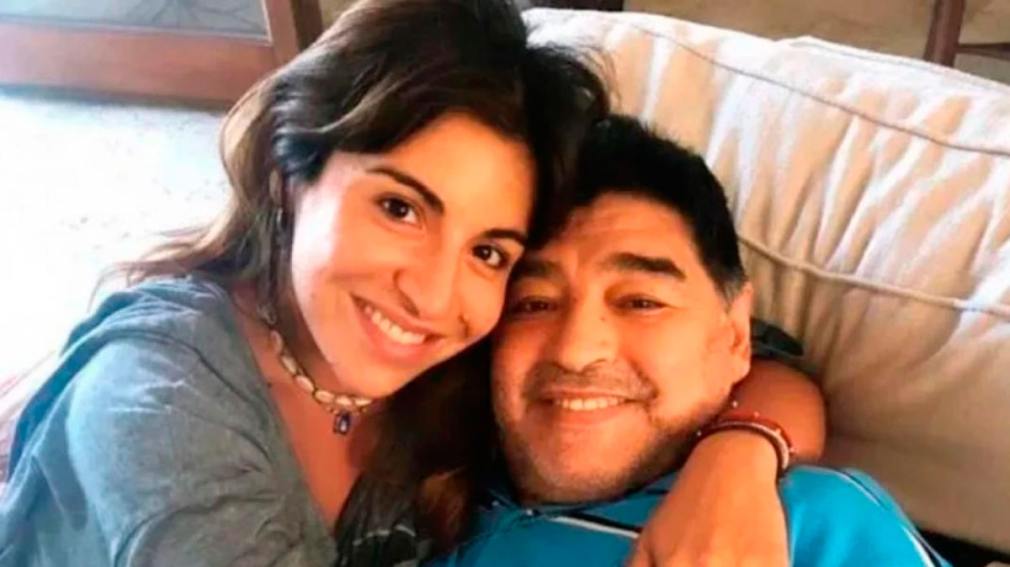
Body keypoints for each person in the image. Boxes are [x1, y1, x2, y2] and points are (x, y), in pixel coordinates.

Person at [0, 2, 823, 566]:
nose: (431, 296)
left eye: (489, 250)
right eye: (400, 208)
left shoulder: (470, 353)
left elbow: (748, 356)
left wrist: (738, 460)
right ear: (291, 174)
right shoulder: (158, 406)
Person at [428, 115, 949, 567]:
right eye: (534, 304)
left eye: (641, 302)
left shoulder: (807, 525)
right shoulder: (422, 495)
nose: (576, 350)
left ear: (735, 335)